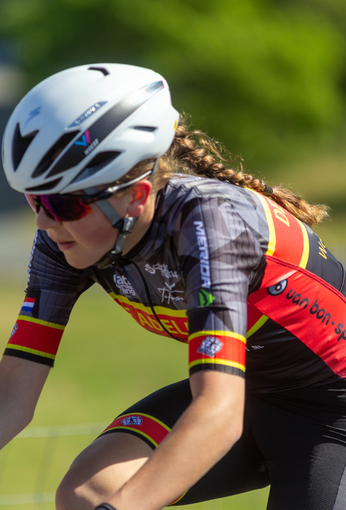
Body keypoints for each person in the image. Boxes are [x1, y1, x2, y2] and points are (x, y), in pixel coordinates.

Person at [1, 63, 346, 510]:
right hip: (248, 392)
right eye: (35, 198)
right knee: (87, 493)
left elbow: (218, 417)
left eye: (62, 202)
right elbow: (12, 394)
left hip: (331, 415)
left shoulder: (212, 225)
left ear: (136, 196)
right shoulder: (67, 236)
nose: (44, 222)